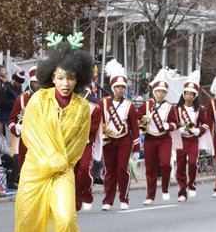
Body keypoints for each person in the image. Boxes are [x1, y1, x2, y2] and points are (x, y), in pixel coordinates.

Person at [12, 38, 92, 232]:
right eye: (60, 78)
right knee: (27, 221)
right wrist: (49, 160)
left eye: (70, 78)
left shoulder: (82, 109)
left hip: (61, 173)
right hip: (35, 170)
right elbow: (30, 135)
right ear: (51, 78)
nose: (65, 83)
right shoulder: (38, 100)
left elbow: (79, 145)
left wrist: (61, 164)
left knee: (67, 218)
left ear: (78, 79)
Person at [99, 61, 139, 210]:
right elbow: (98, 123)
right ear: (112, 88)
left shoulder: (130, 105)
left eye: (123, 87)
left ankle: (124, 198)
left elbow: (134, 127)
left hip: (124, 140)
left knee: (122, 169)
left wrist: (136, 148)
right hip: (108, 141)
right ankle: (108, 200)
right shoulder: (103, 103)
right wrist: (100, 139)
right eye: (118, 87)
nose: (121, 90)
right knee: (109, 170)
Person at [139, 72, 177, 205]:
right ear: (154, 91)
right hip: (150, 138)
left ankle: (165, 188)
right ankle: (150, 196)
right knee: (150, 168)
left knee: (165, 163)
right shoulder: (147, 105)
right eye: (158, 91)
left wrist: (168, 126)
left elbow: (175, 124)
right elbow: (138, 118)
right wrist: (143, 121)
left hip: (164, 139)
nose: (160, 93)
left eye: (163, 91)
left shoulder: (170, 107)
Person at [173, 74, 208, 201]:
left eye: (191, 94)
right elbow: (173, 123)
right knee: (181, 166)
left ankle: (192, 184)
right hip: (181, 140)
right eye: (187, 93)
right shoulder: (177, 109)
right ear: (183, 94)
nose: (189, 96)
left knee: (193, 163)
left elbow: (205, 123)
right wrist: (179, 128)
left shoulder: (198, 109)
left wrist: (200, 130)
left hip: (193, 140)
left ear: (195, 96)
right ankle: (182, 191)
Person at [75, 87, 103, 211]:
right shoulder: (69, 106)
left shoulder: (95, 109)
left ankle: (86, 193)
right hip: (71, 143)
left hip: (86, 143)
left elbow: (93, 128)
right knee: (73, 173)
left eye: (82, 92)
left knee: (84, 169)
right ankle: (76, 201)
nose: (80, 94)